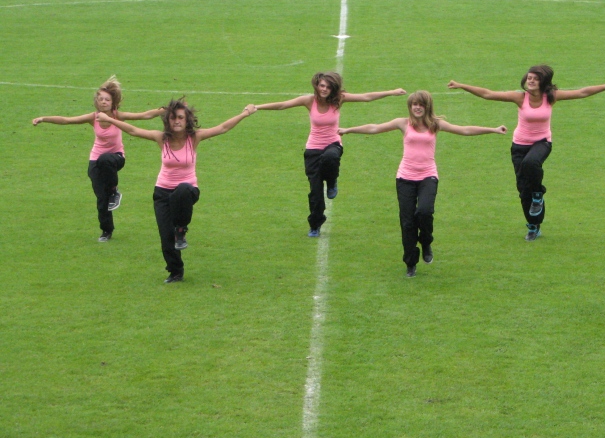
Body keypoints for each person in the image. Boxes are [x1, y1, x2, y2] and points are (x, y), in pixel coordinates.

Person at [339, 90, 506, 278]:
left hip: (428, 176)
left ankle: (426, 242)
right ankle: (411, 263)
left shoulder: (435, 124)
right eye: (414, 104)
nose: (417, 108)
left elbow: (464, 130)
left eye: (421, 104)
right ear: (410, 107)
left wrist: (493, 129)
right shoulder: (403, 123)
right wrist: (348, 130)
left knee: (425, 212)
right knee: (407, 222)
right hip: (405, 178)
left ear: (427, 107)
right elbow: (374, 128)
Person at [448, 66, 605, 241]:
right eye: (529, 77)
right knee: (524, 191)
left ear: (543, 82)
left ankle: (538, 194)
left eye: (535, 79)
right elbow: (488, 94)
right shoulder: (520, 97)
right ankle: (533, 225)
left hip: (542, 142)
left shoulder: (551, 96)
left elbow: (582, 92)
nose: (530, 81)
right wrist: (462, 85)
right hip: (519, 146)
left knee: (530, 163)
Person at [98, 99, 257, 283]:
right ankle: (175, 272)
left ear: (187, 119)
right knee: (166, 238)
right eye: (173, 118)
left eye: (181, 117)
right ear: (168, 120)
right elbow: (133, 130)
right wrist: (110, 120)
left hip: (188, 191)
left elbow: (222, 128)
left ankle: (181, 228)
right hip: (162, 193)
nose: (177, 121)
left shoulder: (194, 137)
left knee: (182, 189)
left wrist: (245, 113)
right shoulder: (161, 138)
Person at [253, 72, 406, 238]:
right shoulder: (309, 101)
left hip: (333, 144)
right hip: (313, 149)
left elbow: (366, 97)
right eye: (322, 86)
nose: (324, 89)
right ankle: (315, 225)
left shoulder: (339, 99)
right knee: (315, 194)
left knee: (330, 157)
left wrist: (391, 92)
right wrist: (257, 107)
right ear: (317, 86)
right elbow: (283, 105)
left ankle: (332, 181)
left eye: (328, 87)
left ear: (333, 88)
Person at [32, 76, 163, 242]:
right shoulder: (93, 117)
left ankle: (114, 190)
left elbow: (145, 115)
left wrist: (165, 110)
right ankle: (106, 230)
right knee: (102, 198)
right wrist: (43, 118)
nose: (103, 102)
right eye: (100, 99)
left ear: (113, 102)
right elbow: (66, 120)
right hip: (96, 160)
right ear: (96, 102)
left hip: (116, 157)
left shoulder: (118, 116)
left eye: (107, 99)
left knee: (105, 160)